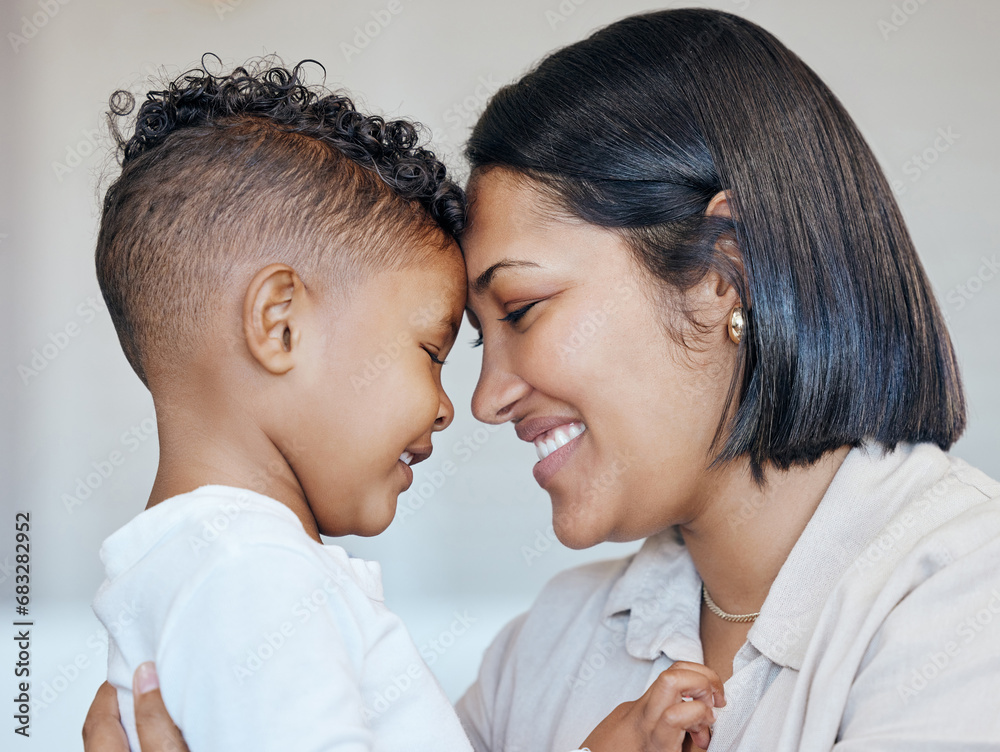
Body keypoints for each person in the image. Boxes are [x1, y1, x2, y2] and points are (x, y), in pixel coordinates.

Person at [84, 9, 1000, 752]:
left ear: (726, 270)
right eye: (473, 342)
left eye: (519, 311)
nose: (482, 403)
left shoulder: (963, 596)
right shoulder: (557, 643)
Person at [85, 55, 717, 752]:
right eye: (430, 352)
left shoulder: (208, 572)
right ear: (280, 324)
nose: (453, 408)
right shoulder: (250, 579)